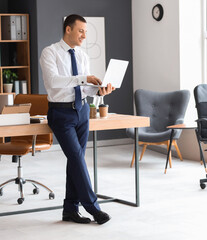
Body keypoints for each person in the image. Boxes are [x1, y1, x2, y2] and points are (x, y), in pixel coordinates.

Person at [40, 14, 114, 224]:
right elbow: (54, 82)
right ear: (68, 29)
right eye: (81, 30)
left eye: (86, 32)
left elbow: (85, 87)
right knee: (77, 158)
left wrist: (99, 91)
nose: (84, 35)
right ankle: (93, 207)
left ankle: (70, 210)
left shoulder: (82, 55)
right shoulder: (50, 52)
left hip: (81, 111)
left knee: (75, 161)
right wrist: (84, 78)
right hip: (61, 113)